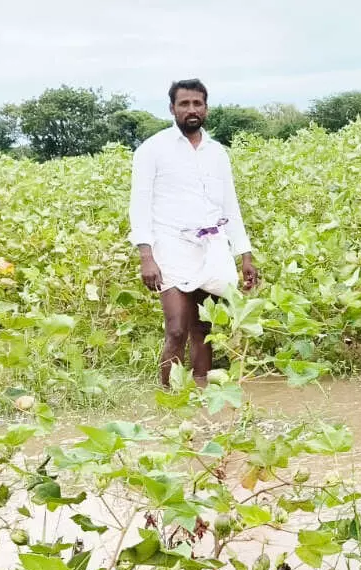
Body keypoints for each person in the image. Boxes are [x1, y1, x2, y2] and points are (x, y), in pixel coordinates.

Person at [129, 79, 259, 387]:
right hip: (170, 247)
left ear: (206, 108)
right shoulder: (152, 150)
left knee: (203, 328)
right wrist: (146, 256)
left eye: (197, 104)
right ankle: (169, 398)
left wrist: (245, 255)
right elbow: (139, 206)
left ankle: (202, 394)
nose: (191, 110)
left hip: (211, 247)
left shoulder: (217, 153)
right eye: (184, 104)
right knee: (176, 330)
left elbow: (230, 206)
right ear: (172, 108)